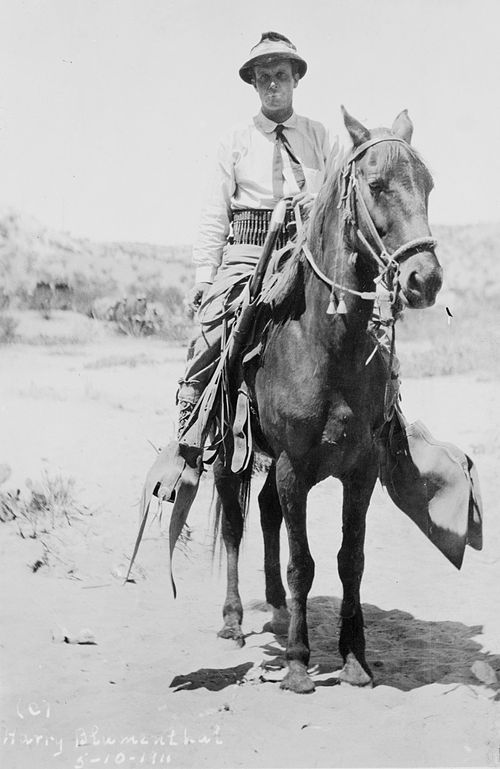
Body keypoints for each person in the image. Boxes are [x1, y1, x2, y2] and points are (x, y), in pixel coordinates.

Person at [177, 31, 332, 439]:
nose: (273, 84)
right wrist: (204, 276)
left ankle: (388, 423)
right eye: (264, 78)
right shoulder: (235, 141)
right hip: (250, 251)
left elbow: (337, 201)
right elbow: (215, 212)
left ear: (296, 78)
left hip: (308, 251)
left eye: (281, 74)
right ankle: (192, 421)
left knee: (364, 323)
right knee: (213, 327)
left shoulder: (321, 137)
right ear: (254, 83)